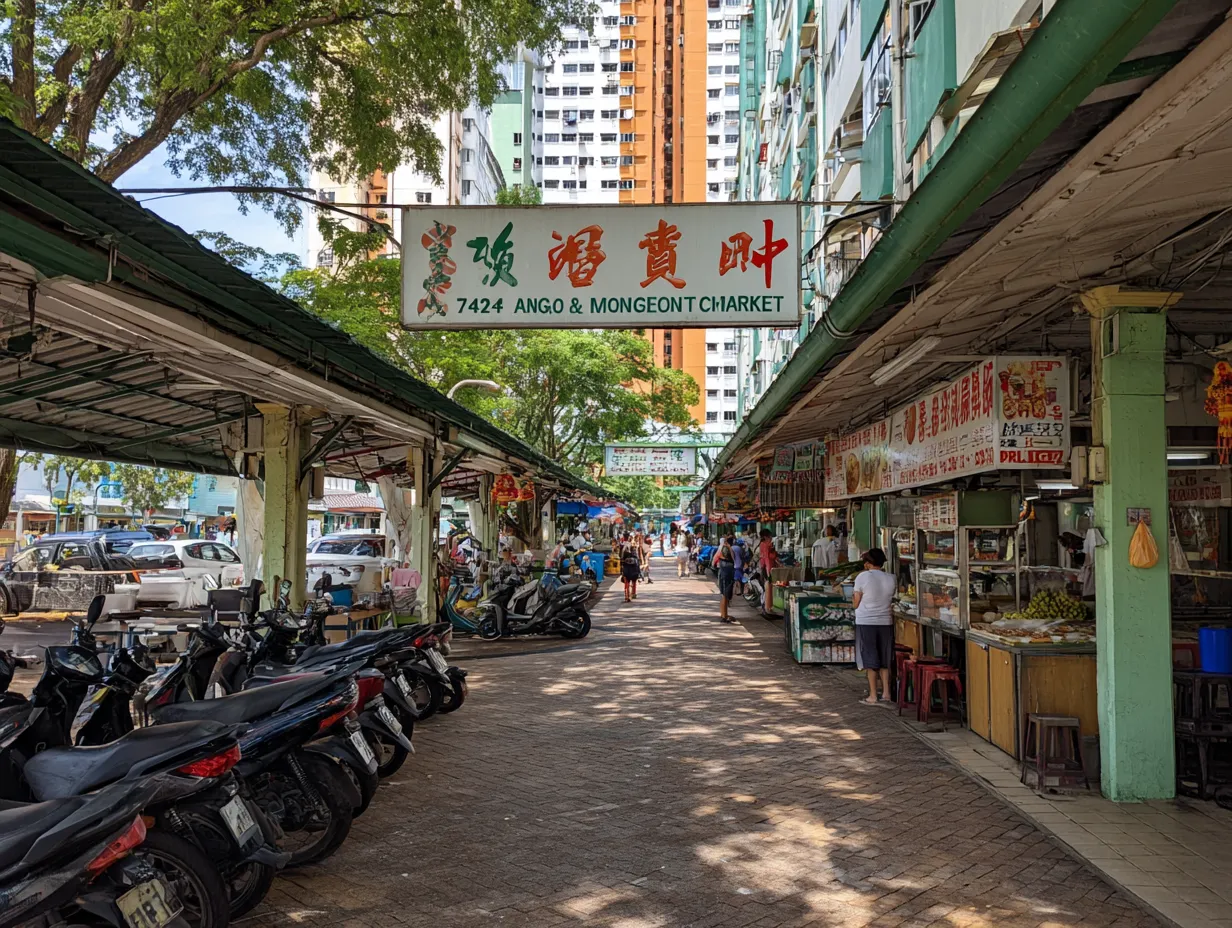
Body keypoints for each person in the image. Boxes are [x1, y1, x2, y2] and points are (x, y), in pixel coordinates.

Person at [853, 548, 896, 705]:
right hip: (886, 622)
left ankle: (872, 695)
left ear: (868, 563)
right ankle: (886, 693)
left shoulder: (862, 577)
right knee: (885, 659)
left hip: (866, 621)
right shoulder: (891, 578)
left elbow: (856, 603)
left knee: (870, 659)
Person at [715, 534, 737, 623]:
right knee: (725, 595)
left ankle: (724, 614)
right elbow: (734, 558)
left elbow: (715, 559)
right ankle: (724, 616)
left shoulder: (721, 548)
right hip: (727, 572)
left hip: (723, 571)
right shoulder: (729, 549)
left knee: (724, 595)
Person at [758, 528, 778, 613]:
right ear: (766, 537)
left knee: (767, 588)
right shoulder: (765, 545)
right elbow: (767, 559)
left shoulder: (763, 544)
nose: (771, 538)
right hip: (767, 568)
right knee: (767, 588)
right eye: (770, 536)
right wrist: (769, 571)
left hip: (765, 567)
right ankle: (767, 607)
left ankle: (766, 607)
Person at [621, 535, 641, 602]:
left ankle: (627, 595)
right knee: (634, 580)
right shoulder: (635, 547)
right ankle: (633, 593)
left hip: (627, 567)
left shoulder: (624, 546)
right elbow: (637, 558)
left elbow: (622, 557)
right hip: (633, 567)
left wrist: (622, 565)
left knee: (627, 581)